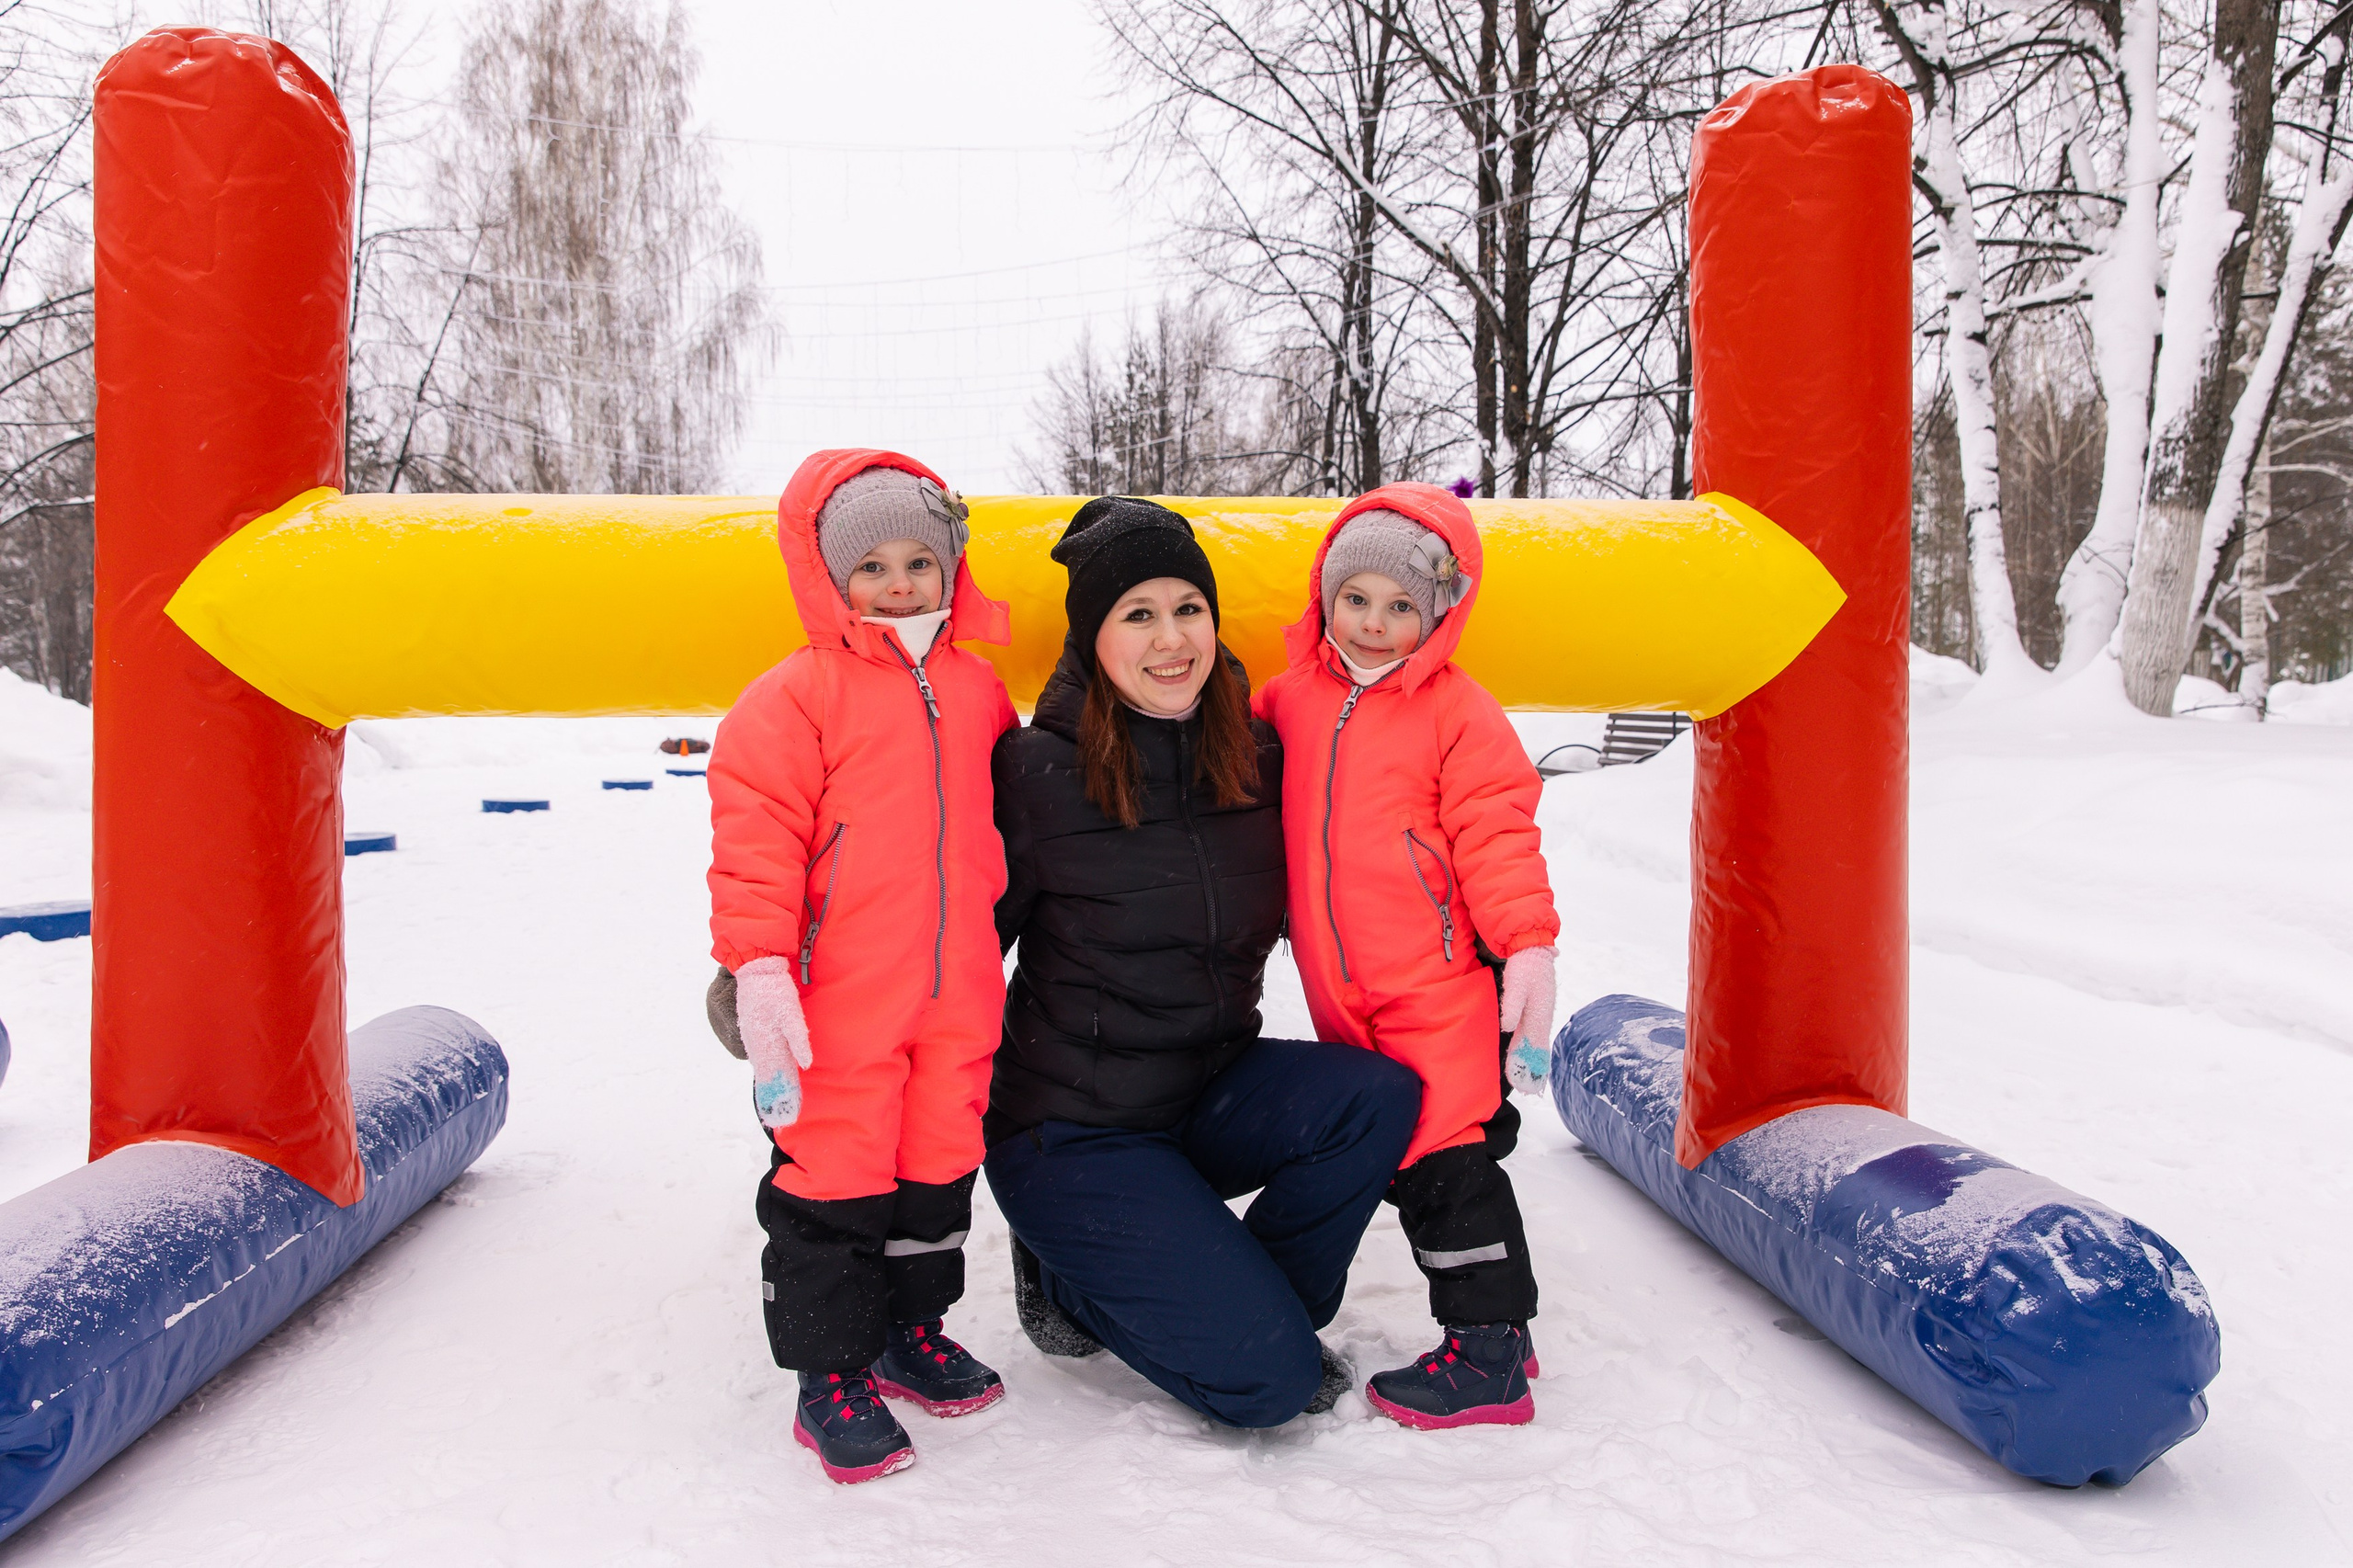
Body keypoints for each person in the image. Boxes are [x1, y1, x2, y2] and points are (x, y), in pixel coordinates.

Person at [983, 495, 1424, 1429]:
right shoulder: (1034, 772)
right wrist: (794, 993)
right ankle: (1069, 1284)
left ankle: (1225, 1297)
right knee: (1266, 1385)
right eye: (1135, 614)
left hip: (1205, 1086)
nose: (1170, 638)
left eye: (1188, 607)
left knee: (1374, 1096)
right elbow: (951, 938)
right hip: (1071, 1130)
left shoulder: (1255, 751)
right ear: (1091, 639)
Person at [706, 449, 1017, 1484]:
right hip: (836, 998)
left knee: (935, 1166)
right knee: (833, 1180)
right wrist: (755, 967)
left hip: (958, 989)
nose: (897, 584)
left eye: (918, 561)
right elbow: (755, 844)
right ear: (830, 576)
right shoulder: (793, 697)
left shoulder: (978, 690)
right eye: (871, 564)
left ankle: (908, 1329)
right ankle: (828, 1373)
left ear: (950, 567)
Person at [1254, 482, 1561, 1430]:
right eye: (1358, 600)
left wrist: (1527, 946)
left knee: (1443, 1153)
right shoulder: (1287, 699)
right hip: (1343, 989)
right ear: (1325, 596)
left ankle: (1489, 1349)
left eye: (1402, 607)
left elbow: (1497, 835)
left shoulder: (1457, 714)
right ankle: (1500, 1315)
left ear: (1438, 613)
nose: (1377, 624)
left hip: (1435, 978)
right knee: (1408, 1145)